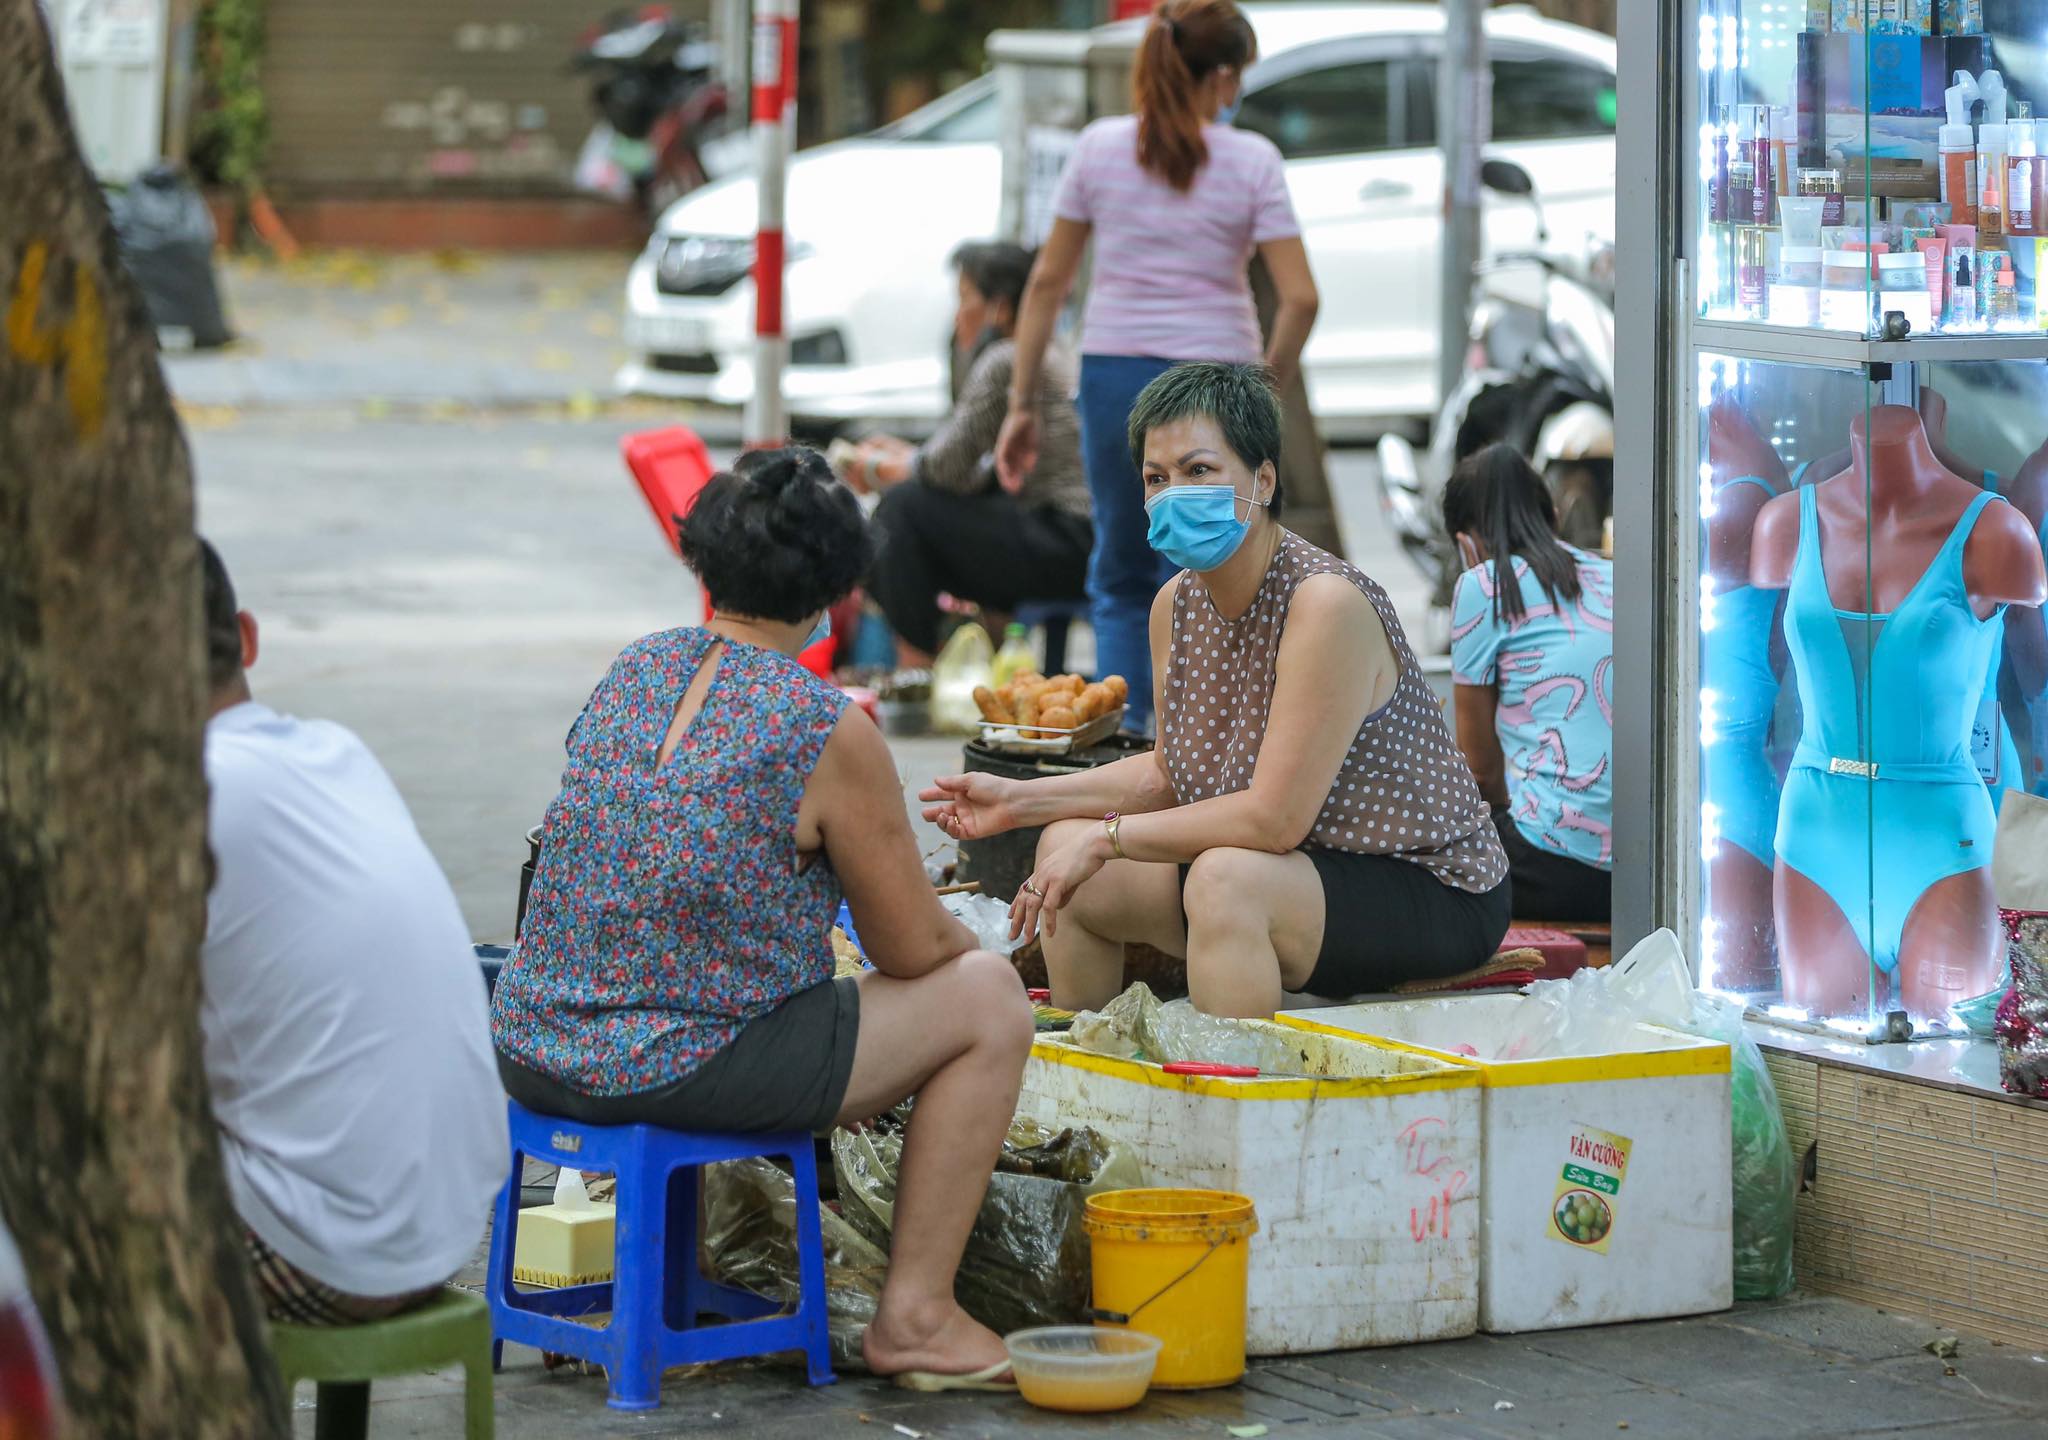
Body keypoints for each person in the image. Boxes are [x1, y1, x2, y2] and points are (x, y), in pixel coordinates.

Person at [489, 448, 1034, 1388]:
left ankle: (671, 1279)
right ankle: (916, 1316)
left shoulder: (637, 667)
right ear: (834, 587)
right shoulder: (823, 724)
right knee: (988, 1000)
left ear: (705, 559)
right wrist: (978, 941)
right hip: (676, 1065)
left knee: (719, 981)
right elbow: (908, 947)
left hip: (535, 1043)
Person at [926, 364, 1509, 1018]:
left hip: (1424, 885)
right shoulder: (1175, 605)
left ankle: (1233, 1103)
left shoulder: (1325, 605)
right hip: (1292, 868)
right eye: (1156, 478)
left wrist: (1107, 837)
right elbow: (1172, 775)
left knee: (1223, 881)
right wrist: (1020, 801)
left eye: (1198, 470)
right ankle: (1094, 1076)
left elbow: (1272, 819)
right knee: (1063, 846)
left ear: (1263, 480)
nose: (1174, 493)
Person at [197, 539, 508, 1325]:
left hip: (324, 1253)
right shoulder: (336, 753)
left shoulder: (171, 796)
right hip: (443, 1224)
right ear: (248, 637)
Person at [994, 0, 1318, 733]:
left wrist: (1019, 404)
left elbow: (1047, 282)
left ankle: (1133, 736)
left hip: (1115, 376)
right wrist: (1264, 392)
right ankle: (1220, 735)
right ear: (1224, 75)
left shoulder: (1100, 149)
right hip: (1219, 380)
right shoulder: (1252, 160)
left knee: (1121, 568)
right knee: (1229, 563)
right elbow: (1299, 298)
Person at [847, 242, 1091, 664]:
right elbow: (965, 460)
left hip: (1062, 542)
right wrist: (907, 456)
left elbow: (945, 468)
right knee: (920, 509)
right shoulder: (1054, 351)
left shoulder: (1005, 358)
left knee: (900, 511)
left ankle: (917, 665)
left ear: (998, 308)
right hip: (1076, 541)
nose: (957, 313)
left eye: (964, 298)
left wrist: (869, 467)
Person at [1444, 445, 1616, 923]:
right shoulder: (1614, 575)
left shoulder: (1483, 584)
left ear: (1466, 545)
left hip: (1550, 868)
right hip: (1642, 871)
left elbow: (1478, 774)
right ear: (1553, 518)